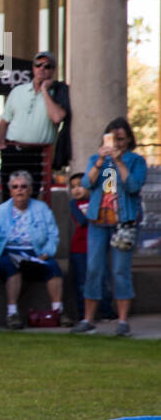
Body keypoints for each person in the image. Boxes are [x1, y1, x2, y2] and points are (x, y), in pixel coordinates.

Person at [71, 118, 148, 337]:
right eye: (114, 139)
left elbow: (133, 186)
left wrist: (120, 162)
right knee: (94, 268)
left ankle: (122, 321)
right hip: (98, 221)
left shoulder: (136, 161)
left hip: (123, 222)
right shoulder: (97, 159)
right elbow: (86, 184)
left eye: (121, 139)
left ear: (128, 139)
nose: (117, 143)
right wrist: (100, 162)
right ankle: (88, 319)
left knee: (120, 270)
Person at [0, 170, 63, 329]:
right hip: (8, 252)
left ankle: (58, 312)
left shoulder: (42, 209)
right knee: (12, 269)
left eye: (24, 186)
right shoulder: (0, 212)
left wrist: (47, 252)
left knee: (53, 267)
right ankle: (12, 314)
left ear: (30, 189)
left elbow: (53, 234)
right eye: (15, 187)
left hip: (36, 252)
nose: (19, 190)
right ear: (10, 190)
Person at [0, 51, 69, 200]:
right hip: (12, 151)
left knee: (32, 196)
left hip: (37, 154)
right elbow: (4, 122)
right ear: (33, 68)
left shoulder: (59, 92)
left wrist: (44, 90)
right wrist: (3, 146)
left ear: (53, 70)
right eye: (38, 65)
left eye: (47, 66)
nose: (42, 69)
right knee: (8, 196)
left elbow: (57, 118)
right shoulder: (18, 91)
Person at [66, 172, 92, 323]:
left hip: (95, 248)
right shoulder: (73, 204)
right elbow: (82, 221)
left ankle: (106, 311)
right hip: (79, 249)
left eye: (80, 186)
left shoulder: (96, 200)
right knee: (81, 283)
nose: (76, 190)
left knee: (102, 280)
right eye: (73, 187)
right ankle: (83, 314)